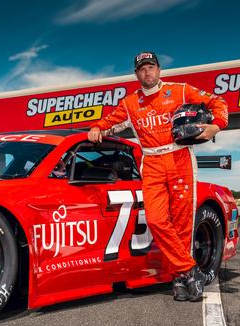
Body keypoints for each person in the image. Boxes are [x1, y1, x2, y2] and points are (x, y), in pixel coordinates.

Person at [87, 51, 228, 301]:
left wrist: (215, 126)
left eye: (151, 67)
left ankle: (180, 280)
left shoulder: (180, 90)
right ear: (136, 74)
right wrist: (96, 127)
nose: (147, 72)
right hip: (151, 162)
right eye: (142, 69)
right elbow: (109, 121)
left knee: (183, 223)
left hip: (179, 158)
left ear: (159, 69)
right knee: (156, 220)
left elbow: (219, 103)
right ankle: (189, 268)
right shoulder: (130, 103)